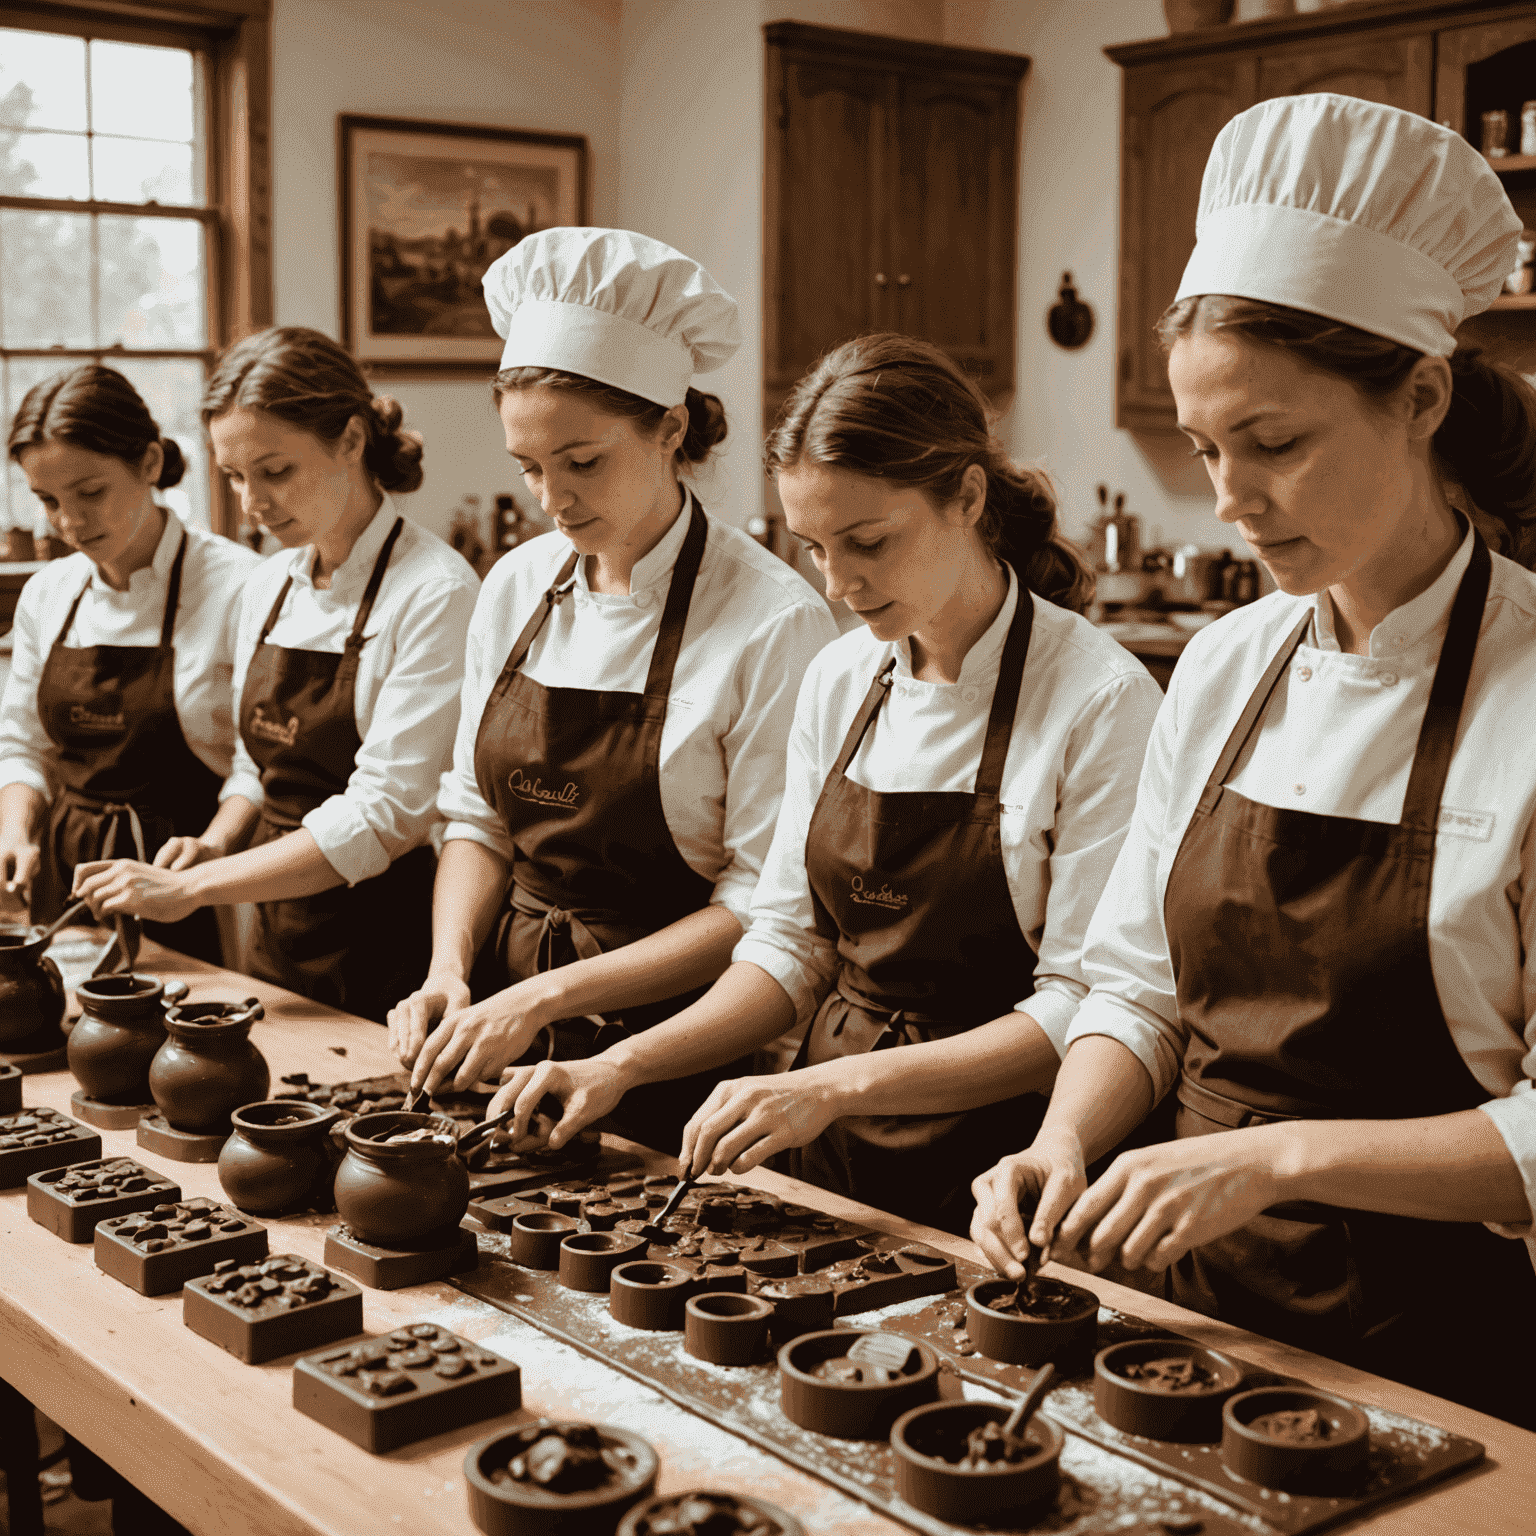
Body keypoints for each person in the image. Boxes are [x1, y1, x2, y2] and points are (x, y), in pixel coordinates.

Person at [970, 95, 1536, 1428]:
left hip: (1434, 1352)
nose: (1228, 499)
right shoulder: (1227, 664)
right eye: (1206, 450)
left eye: (1274, 445)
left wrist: (1273, 1160)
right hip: (1186, 1313)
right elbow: (1135, 983)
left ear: (1425, 399)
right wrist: (1064, 1138)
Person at [481, 332, 1164, 1232]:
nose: (839, 585)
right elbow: (789, 947)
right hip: (830, 1158)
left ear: (966, 495)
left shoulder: (1101, 700)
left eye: (868, 541)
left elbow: (1080, 1005)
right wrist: (623, 1066)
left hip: (1011, 1171)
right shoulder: (842, 678)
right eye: (811, 548)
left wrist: (831, 1085)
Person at [388, 228, 838, 1152]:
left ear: (671, 428)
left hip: (680, 1055)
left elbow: (755, 904)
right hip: (501, 1025)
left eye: (582, 462)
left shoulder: (772, 622)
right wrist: (449, 969)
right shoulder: (516, 585)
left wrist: (550, 995)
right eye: (528, 468)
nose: (552, 499)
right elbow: (477, 820)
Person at [74, 327, 479, 1023]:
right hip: (275, 937)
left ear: (351, 441)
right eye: (234, 476)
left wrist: (199, 887)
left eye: (275, 471)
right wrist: (218, 839)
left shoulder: (435, 592)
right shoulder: (268, 586)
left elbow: (383, 815)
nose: (250, 503)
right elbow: (254, 768)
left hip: (385, 945)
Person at [1, 364, 259, 963]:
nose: (68, 522)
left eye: (90, 493)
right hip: (68, 875)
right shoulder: (48, 593)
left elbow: (257, 764)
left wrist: (212, 851)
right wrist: (17, 830)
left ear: (148, 464)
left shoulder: (239, 586)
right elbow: (23, 741)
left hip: (188, 875)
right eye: (47, 500)